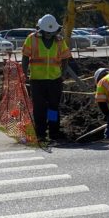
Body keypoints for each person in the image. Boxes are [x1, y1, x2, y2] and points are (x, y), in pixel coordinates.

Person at [21, 13, 74, 143]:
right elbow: (25, 57)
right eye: (47, 31)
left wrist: (62, 74)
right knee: (39, 108)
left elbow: (66, 57)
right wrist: (24, 73)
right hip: (37, 80)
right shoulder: (31, 39)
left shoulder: (60, 41)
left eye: (52, 31)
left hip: (55, 80)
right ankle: (40, 133)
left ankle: (54, 132)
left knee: (53, 107)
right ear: (41, 29)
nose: (49, 34)